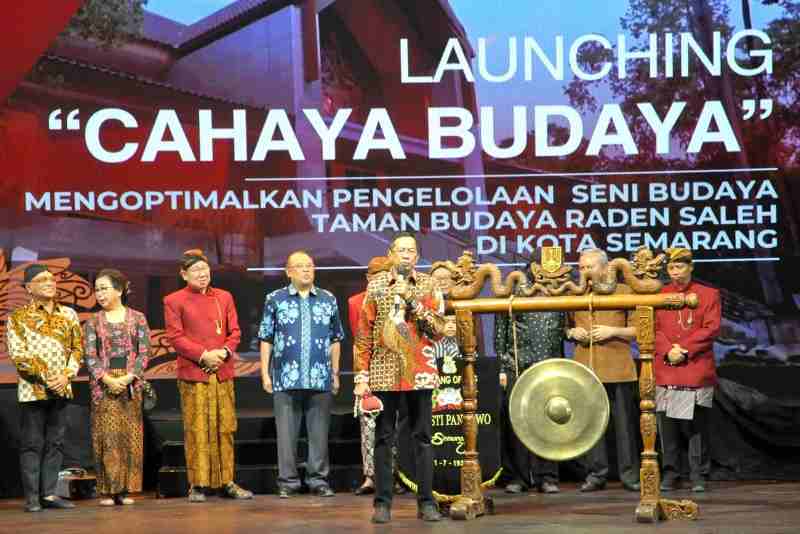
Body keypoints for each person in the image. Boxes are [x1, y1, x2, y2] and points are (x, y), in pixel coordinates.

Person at [354, 232, 445, 523]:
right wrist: (361, 376)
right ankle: (382, 503)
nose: (406, 255)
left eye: (412, 251)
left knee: (423, 438)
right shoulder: (376, 285)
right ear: (391, 254)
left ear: (417, 257)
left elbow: (439, 329)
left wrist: (413, 303)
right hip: (383, 372)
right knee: (383, 438)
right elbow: (364, 335)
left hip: (419, 371)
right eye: (401, 250)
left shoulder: (429, 285)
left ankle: (427, 502)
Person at [163, 249, 253, 502]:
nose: (202, 275)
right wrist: (204, 355)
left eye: (205, 270)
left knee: (225, 428)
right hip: (195, 371)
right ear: (184, 274)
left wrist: (223, 352)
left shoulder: (223, 297)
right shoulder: (174, 300)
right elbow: (175, 337)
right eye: (196, 271)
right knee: (197, 428)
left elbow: (235, 332)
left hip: (222, 370)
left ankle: (227, 481)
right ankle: (198, 484)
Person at [259, 250, 344, 498]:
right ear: (288, 272)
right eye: (300, 266)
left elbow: (335, 338)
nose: (307, 270)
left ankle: (318, 479)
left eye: (310, 265)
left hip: (320, 376)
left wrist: (336, 373)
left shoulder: (328, 299)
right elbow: (266, 337)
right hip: (286, 377)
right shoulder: (275, 299)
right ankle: (288, 481)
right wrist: (265, 374)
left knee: (319, 433)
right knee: (286, 433)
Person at [6, 264, 83, 512]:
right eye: (41, 280)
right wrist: (47, 378)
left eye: (51, 278)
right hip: (33, 390)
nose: (49, 282)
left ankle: (49, 494)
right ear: (29, 288)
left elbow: (77, 348)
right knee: (32, 443)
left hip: (62, 387)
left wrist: (66, 376)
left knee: (56, 442)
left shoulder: (69, 314)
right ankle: (32, 498)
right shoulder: (18, 317)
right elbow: (19, 356)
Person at [566, 249, 641, 492]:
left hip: (618, 367)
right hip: (586, 369)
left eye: (590, 267)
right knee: (591, 425)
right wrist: (571, 333)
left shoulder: (624, 291)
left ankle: (629, 476)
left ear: (605, 268)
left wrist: (613, 331)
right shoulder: (574, 294)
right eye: (582, 268)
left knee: (624, 427)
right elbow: (564, 327)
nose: (585, 272)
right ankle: (596, 474)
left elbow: (640, 330)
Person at [494, 250, 565, 495]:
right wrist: (503, 367)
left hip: (550, 367)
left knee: (549, 422)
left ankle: (548, 477)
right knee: (516, 424)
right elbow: (501, 330)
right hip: (517, 366)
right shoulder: (515, 291)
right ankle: (517, 477)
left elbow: (564, 330)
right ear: (534, 267)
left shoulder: (562, 293)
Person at [654, 248, 721, 493]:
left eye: (680, 267)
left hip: (695, 367)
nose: (675, 272)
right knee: (667, 426)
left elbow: (711, 328)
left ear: (691, 267)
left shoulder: (708, 294)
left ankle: (698, 474)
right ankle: (671, 473)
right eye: (671, 268)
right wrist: (667, 349)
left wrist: (683, 348)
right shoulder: (659, 294)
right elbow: (651, 328)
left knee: (696, 427)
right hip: (667, 367)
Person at [83, 269, 151, 506]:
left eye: (104, 288)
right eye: (97, 289)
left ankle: (125, 489)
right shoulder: (93, 322)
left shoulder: (138, 318)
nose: (99, 293)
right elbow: (90, 356)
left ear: (119, 290)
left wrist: (130, 376)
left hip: (130, 384)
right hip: (104, 387)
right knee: (108, 437)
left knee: (130, 436)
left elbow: (144, 353)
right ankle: (109, 490)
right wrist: (107, 379)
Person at [348, 256, 390, 496]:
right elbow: (360, 339)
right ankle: (370, 476)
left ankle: (396, 474)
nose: (380, 279)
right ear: (367, 278)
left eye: (384, 274)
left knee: (392, 424)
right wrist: (361, 374)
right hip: (367, 368)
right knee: (368, 422)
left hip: (394, 368)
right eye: (375, 275)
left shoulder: (398, 297)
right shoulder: (355, 302)